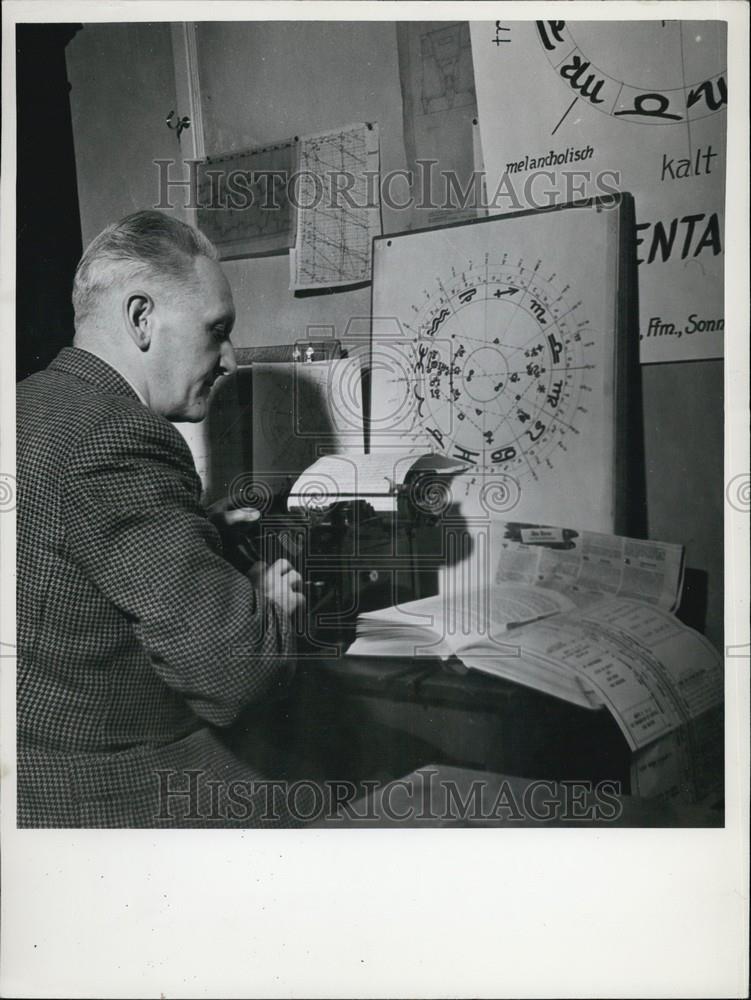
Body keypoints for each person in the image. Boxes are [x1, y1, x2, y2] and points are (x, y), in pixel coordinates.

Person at [16, 210, 307, 827]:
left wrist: (196, 531)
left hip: (28, 762)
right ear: (141, 317)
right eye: (216, 330)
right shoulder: (120, 435)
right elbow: (234, 673)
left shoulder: (24, 403)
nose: (229, 359)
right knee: (354, 777)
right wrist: (269, 607)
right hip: (100, 791)